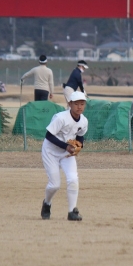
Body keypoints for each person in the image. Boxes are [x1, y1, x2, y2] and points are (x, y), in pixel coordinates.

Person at [40, 90, 88, 221]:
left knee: (73, 179)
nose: (79, 107)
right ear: (70, 104)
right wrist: (66, 147)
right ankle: (47, 203)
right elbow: (49, 136)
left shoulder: (84, 121)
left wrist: (79, 146)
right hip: (50, 151)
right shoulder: (61, 118)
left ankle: (72, 212)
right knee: (54, 185)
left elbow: (80, 136)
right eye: (76, 104)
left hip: (66, 153)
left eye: (82, 104)